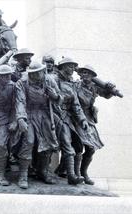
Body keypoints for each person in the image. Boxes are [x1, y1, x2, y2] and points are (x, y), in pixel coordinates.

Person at [14, 61, 60, 189]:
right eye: (34, 73)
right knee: (28, 142)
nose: (37, 75)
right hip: (28, 114)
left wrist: (54, 96)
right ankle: (23, 174)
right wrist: (21, 119)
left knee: (48, 143)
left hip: (44, 115)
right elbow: (20, 101)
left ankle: (43, 171)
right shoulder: (22, 83)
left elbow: (59, 98)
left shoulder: (49, 81)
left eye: (39, 72)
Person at [74, 65, 115, 185]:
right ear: (80, 75)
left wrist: (110, 87)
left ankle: (83, 172)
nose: (85, 75)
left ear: (92, 76)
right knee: (78, 147)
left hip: (89, 119)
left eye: (88, 73)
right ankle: (77, 174)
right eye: (84, 73)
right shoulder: (75, 85)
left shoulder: (94, 87)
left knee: (91, 149)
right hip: (76, 118)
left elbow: (106, 95)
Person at [54, 57, 89, 185]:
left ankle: (76, 173)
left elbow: (76, 104)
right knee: (67, 145)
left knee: (78, 145)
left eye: (73, 66)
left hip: (69, 117)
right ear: (62, 67)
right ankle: (71, 176)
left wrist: (83, 120)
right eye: (70, 66)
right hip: (57, 116)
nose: (73, 69)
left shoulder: (71, 83)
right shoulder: (54, 79)